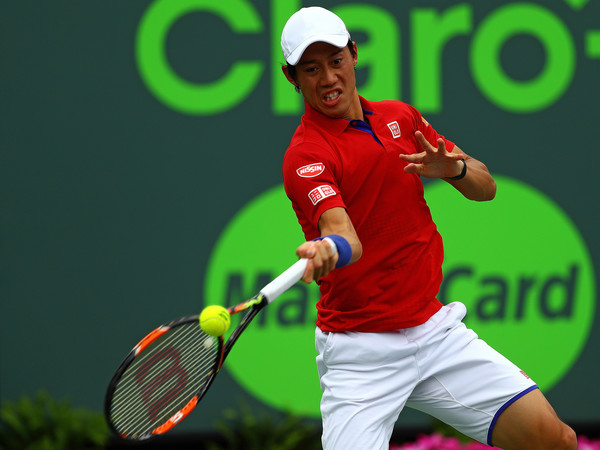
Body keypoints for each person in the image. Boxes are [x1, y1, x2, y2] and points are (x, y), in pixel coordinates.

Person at [279, 6, 577, 450]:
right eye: (311, 68)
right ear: (293, 78)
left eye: (336, 61)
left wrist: (453, 168)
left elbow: (485, 186)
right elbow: (344, 235)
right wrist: (329, 249)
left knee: (553, 440)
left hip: (434, 331)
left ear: (354, 55)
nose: (328, 78)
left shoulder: (401, 119)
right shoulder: (306, 155)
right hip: (361, 353)